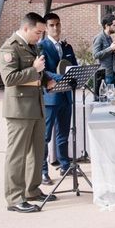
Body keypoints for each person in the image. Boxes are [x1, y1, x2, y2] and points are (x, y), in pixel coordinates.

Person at [0, 12, 58, 213]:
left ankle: (32, 190)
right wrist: (34, 69)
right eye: (38, 32)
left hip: (36, 105)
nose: (40, 36)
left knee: (37, 152)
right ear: (26, 28)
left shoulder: (31, 46)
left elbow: (39, 71)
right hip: (19, 110)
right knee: (17, 155)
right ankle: (15, 198)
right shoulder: (10, 48)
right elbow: (9, 79)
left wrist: (46, 78)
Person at [39, 13, 78, 184]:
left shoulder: (67, 47)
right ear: (46, 28)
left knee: (63, 133)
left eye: (58, 24)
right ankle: (42, 171)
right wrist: (62, 77)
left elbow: (74, 66)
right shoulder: (42, 46)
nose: (56, 28)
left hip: (66, 96)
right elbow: (43, 70)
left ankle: (65, 165)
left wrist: (72, 76)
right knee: (45, 136)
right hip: (51, 97)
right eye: (52, 25)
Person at [93, 13, 115, 88]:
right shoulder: (99, 38)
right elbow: (95, 55)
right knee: (108, 97)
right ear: (106, 25)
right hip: (105, 75)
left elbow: (108, 54)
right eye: (114, 25)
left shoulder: (109, 38)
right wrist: (110, 48)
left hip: (114, 73)